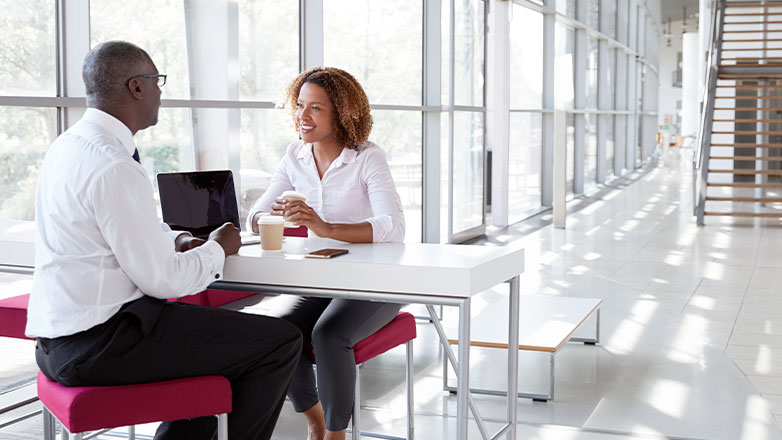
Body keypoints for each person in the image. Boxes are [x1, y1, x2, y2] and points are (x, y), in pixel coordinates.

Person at [26, 41, 302, 440]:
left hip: (58, 341)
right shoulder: (113, 164)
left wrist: (180, 239)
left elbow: (121, 232)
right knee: (279, 343)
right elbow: (164, 282)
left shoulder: (69, 146)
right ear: (136, 87)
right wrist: (217, 247)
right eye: (159, 82)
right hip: (101, 343)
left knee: (221, 353)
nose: (161, 92)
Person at [245, 67, 405, 440]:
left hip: (377, 282)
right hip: (321, 280)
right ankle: (315, 420)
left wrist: (325, 228)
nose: (302, 116)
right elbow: (254, 216)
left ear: (342, 113)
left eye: (315, 108)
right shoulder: (295, 156)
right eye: (299, 105)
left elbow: (393, 227)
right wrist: (270, 218)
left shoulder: (367, 157)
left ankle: (336, 433)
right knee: (276, 333)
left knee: (329, 334)